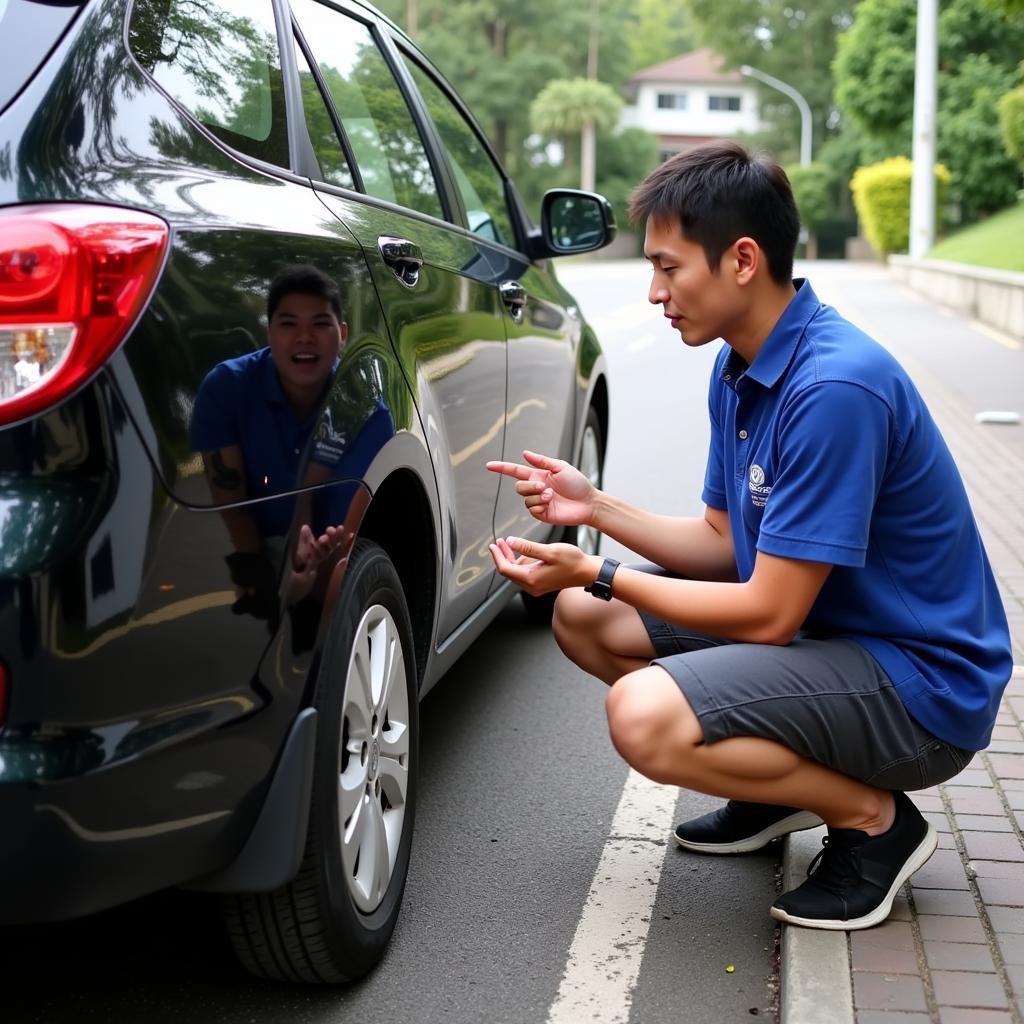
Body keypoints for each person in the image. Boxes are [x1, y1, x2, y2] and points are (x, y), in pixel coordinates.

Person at [486, 141, 1012, 931]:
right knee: (583, 620)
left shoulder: (834, 387)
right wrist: (594, 509)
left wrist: (595, 570)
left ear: (741, 260)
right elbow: (719, 541)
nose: (656, 292)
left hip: (920, 685)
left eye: (669, 268)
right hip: (832, 640)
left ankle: (875, 822)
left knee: (643, 715)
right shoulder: (740, 362)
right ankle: (776, 793)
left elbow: (766, 612)